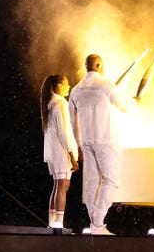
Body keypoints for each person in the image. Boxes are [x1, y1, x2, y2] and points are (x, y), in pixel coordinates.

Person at [69, 54, 138, 235]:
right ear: (98, 65)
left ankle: (95, 224)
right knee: (111, 180)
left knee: (93, 182)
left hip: (86, 142)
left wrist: (77, 146)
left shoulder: (76, 90)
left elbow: (71, 122)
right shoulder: (106, 85)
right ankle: (98, 222)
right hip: (106, 139)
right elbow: (125, 108)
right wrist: (135, 101)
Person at [40, 74, 79, 229]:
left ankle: (52, 224)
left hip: (53, 152)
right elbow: (63, 132)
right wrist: (72, 156)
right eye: (67, 84)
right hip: (61, 152)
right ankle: (59, 225)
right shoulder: (60, 103)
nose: (69, 86)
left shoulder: (49, 103)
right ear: (59, 86)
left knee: (57, 186)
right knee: (62, 187)